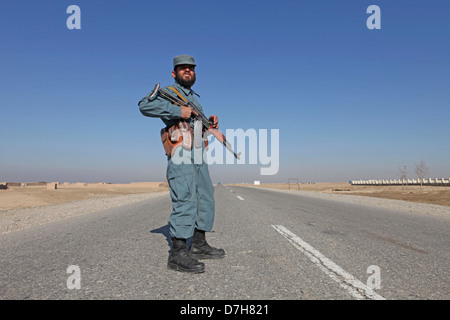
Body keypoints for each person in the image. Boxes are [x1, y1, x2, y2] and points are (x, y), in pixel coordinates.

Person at [138, 54, 225, 273]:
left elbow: (195, 123)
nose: (187, 71)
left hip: (198, 155)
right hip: (181, 153)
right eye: (182, 68)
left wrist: (209, 124)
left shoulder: (195, 98)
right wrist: (178, 111)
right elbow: (143, 106)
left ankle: (198, 245)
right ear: (174, 73)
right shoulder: (168, 93)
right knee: (185, 198)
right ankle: (177, 255)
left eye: (191, 68)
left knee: (205, 197)